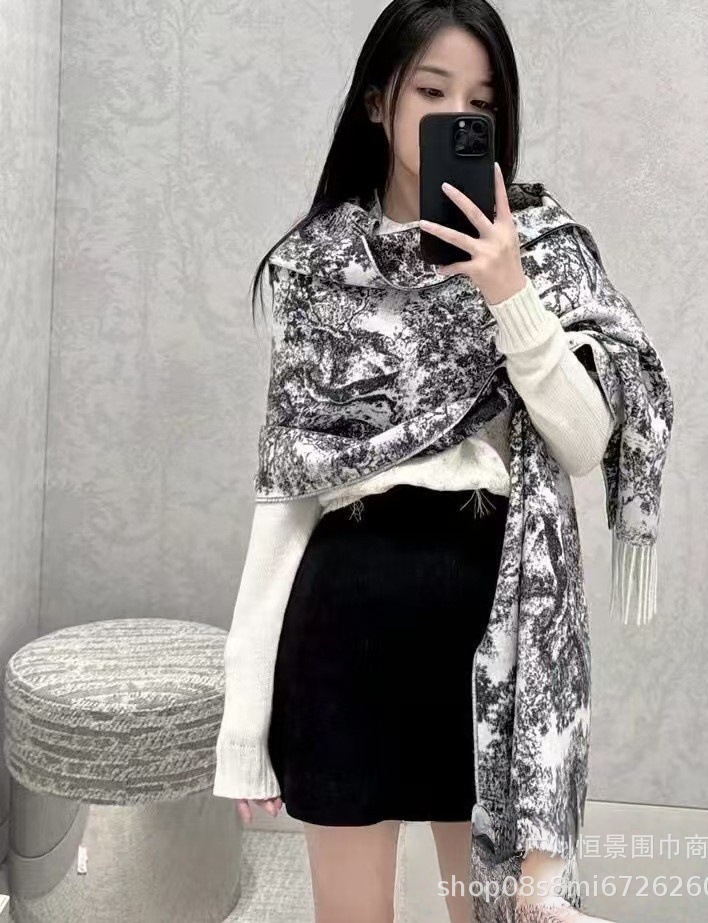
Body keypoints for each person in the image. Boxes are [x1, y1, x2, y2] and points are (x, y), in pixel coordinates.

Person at [213, 2, 626, 921]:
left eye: (479, 102)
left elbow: (583, 442)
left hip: (489, 634)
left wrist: (508, 290)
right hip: (343, 622)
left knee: (489, 911)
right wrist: (243, 717)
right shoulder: (317, 269)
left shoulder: (541, 248)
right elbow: (286, 494)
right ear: (378, 102)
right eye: (432, 92)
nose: (456, 117)